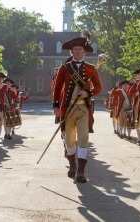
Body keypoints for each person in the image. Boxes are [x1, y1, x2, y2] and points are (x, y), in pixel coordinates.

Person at [52, 31, 102, 183]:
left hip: (83, 109)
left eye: (80, 49)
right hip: (68, 108)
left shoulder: (91, 68)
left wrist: (89, 93)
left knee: (83, 138)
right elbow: (58, 87)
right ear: (71, 51)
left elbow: (98, 87)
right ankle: (72, 165)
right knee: (69, 140)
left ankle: (81, 171)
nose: (78, 51)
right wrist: (55, 105)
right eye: (75, 49)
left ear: (84, 51)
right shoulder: (65, 68)